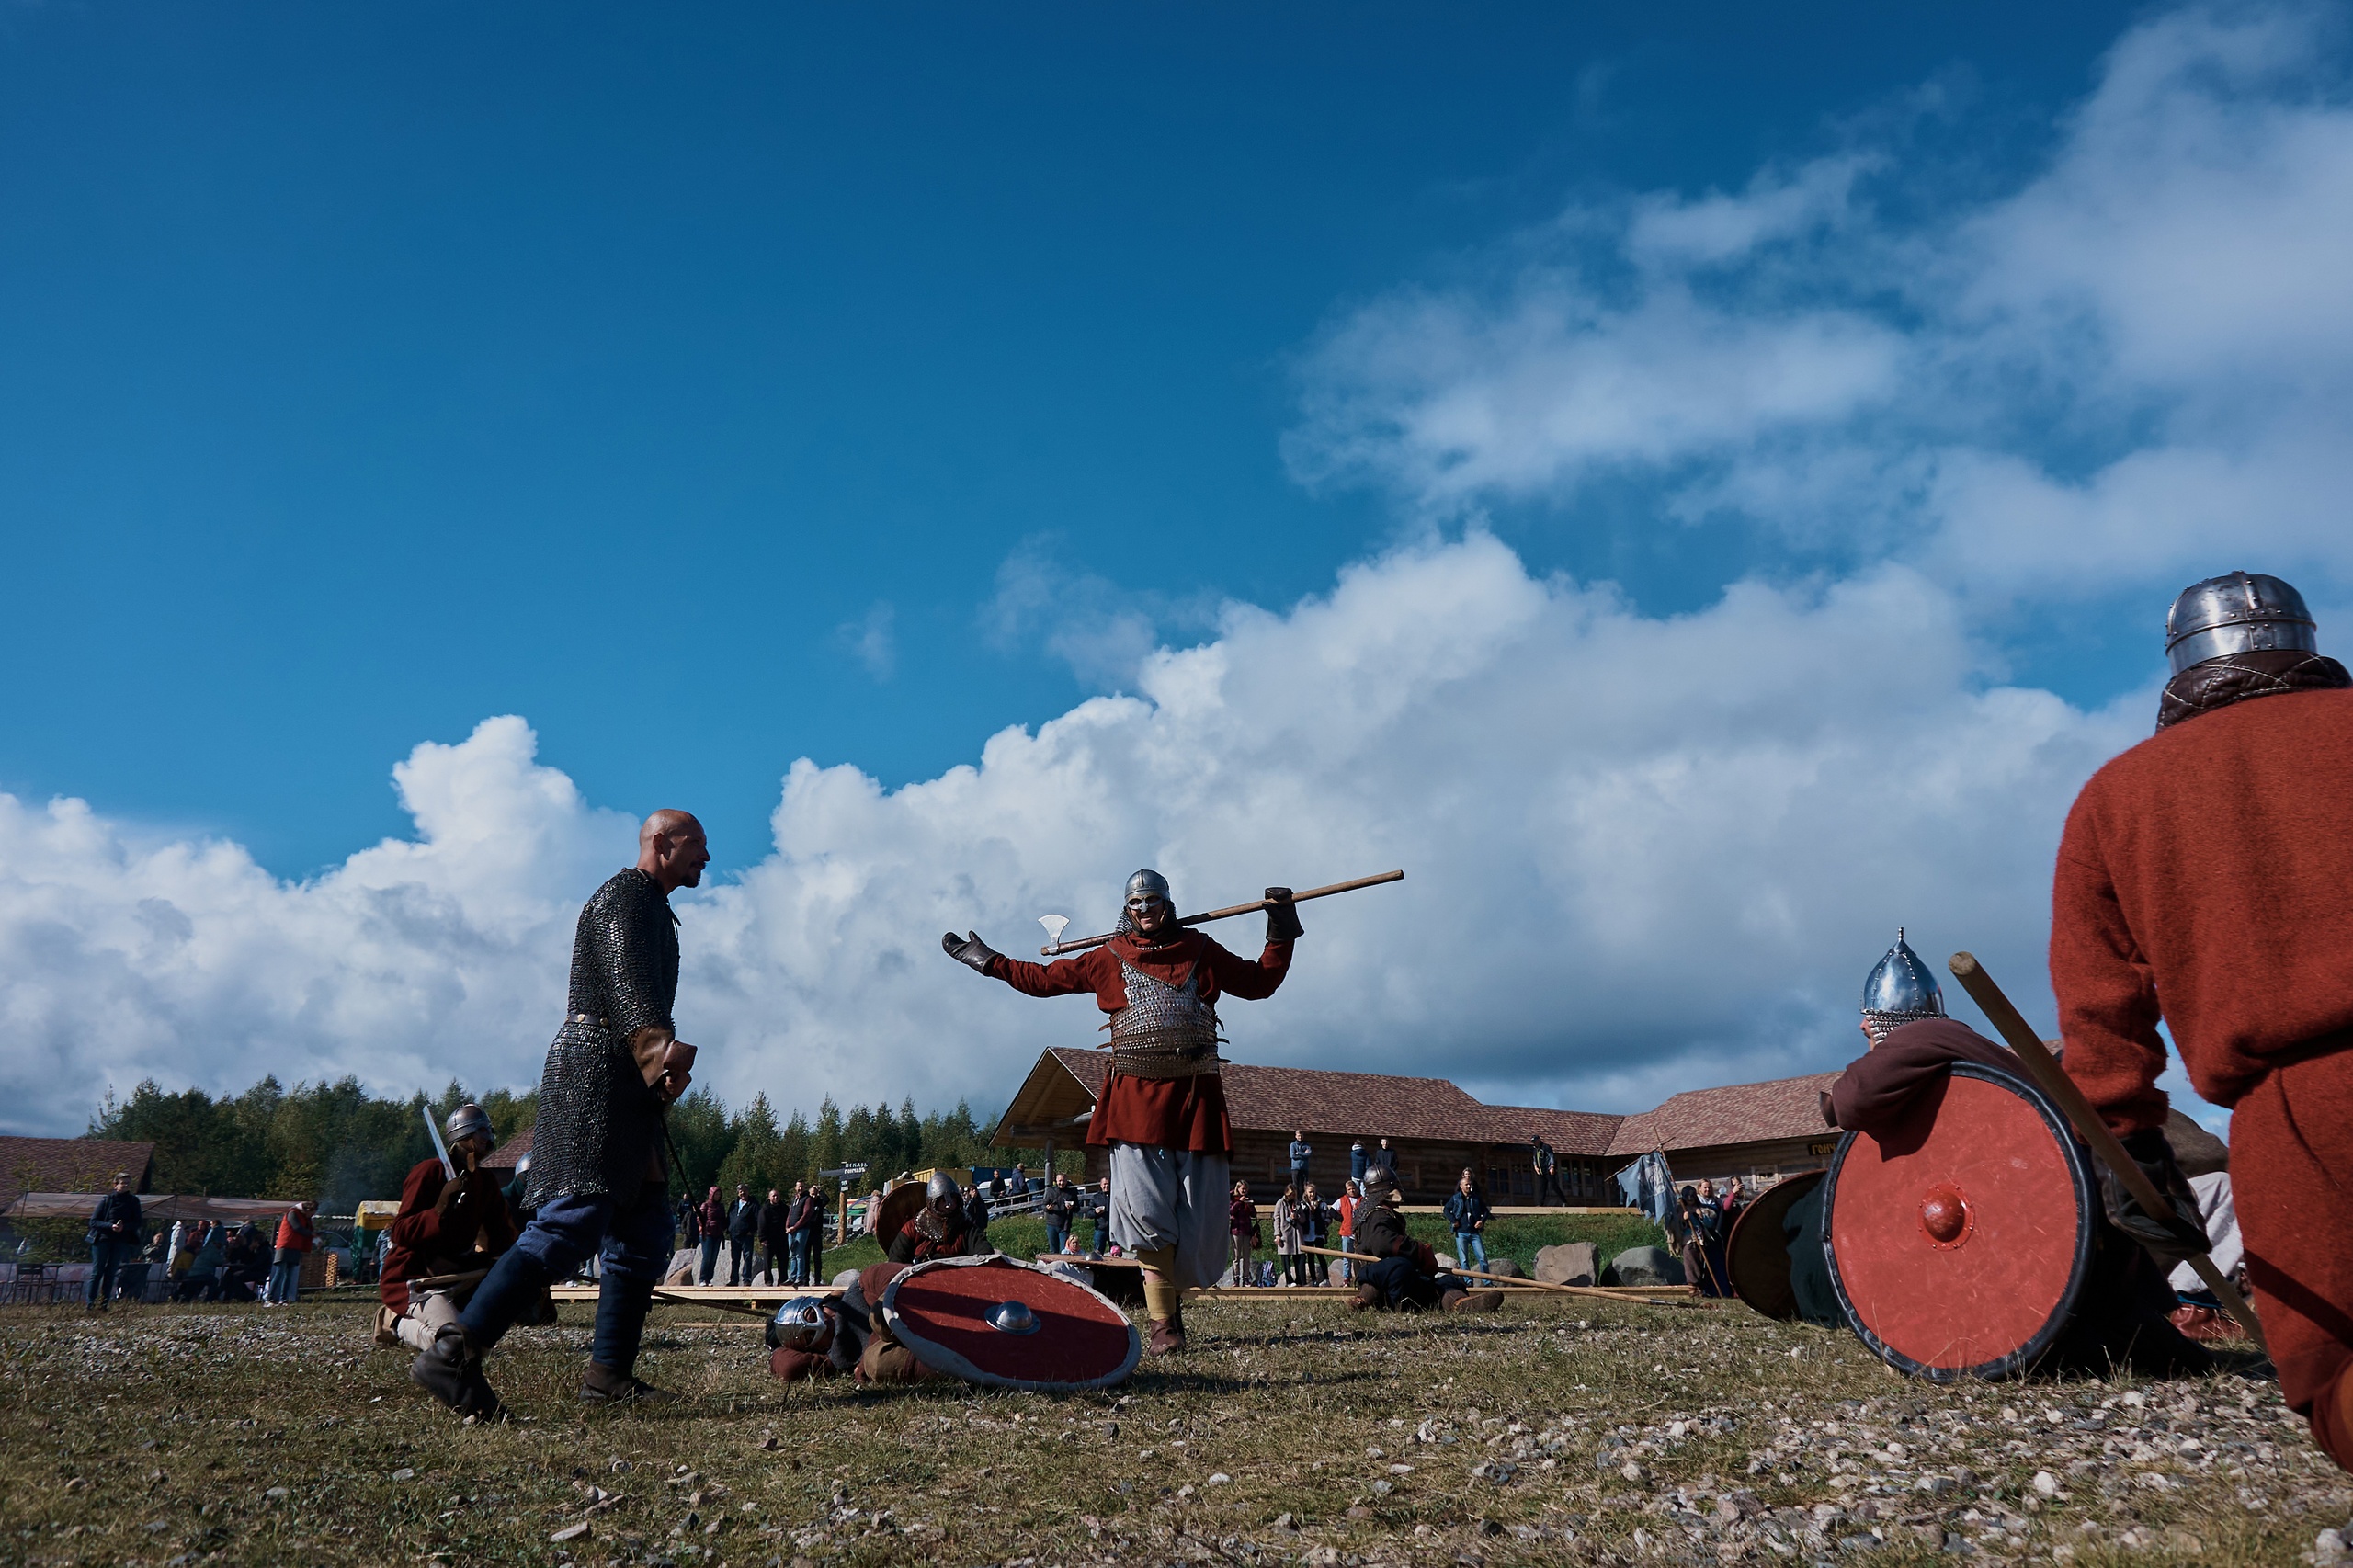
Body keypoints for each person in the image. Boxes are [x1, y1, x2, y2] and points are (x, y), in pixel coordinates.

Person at [2047, 572, 2353, 1470]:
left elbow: (2099, 1012)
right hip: (2280, 1105)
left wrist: (2134, 1151)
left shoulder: (2117, 796)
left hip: (2292, 1120)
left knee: (2333, 1377)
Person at [411, 810, 710, 1419]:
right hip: (596, 1073)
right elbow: (630, 994)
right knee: (575, 1217)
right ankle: (455, 1354)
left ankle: (608, 1377)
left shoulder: (653, 906)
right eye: (695, 846)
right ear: (660, 844)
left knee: (646, 1226)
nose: (705, 858)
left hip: (622, 1077)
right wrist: (660, 1053)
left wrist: (653, 1067)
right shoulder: (624, 898)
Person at [943, 868, 1302, 1354]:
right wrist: (991, 963)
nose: (1144, 912)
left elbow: (1260, 982)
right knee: (1150, 1217)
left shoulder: (1201, 951)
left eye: (1152, 902)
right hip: (1135, 1105)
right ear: (1126, 909)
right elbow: (1044, 980)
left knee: (1199, 1222)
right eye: (1136, 905)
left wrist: (1280, 927)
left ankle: (1172, 1308)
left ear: (1167, 905)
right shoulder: (1108, 958)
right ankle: (1163, 1325)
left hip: (1196, 1101)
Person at [377, 1104, 521, 1354]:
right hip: (417, 1277)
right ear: (463, 1136)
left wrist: (524, 1259)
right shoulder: (429, 1172)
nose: (490, 1137)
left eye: (490, 1130)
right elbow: (400, 1231)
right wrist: (439, 1210)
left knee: (481, 1337)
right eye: (482, 1131)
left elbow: (502, 1235)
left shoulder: (485, 1182)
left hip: (457, 1273)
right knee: (456, 1345)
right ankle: (394, 1322)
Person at [1348, 1172, 1495, 1312]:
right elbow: (1383, 1243)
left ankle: (1460, 1304)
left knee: (1448, 1281)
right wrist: (1419, 1251)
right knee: (1399, 1266)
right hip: (1378, 1278)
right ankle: (1363, 1300)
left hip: (1400, 1286)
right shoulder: (1377, 1215)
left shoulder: (1382, 1215)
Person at [888, 1173, 985, 1265]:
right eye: (943, 1201)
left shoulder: (965, 1227)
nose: (949, 1205)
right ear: (932, 1203)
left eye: (953, 1199)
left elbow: (984, 1251)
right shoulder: (913, 1227)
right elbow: (897, 1258)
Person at [84, 1172, 142, 1312]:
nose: (126, 1186)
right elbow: (93, 1221)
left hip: (120, 1241)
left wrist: (124, 1227)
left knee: (111, 1273)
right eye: (123, 1183)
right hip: (102, 1240)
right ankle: (90, 1304)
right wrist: (110, 1226)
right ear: (115, 1185)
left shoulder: (134, 1201)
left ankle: (104, 1304)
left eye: (128, 1183)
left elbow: (138, 1222)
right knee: (97, 1272)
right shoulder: (107, 1200)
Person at [268, 1201, 316, 1305]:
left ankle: (283, 1299)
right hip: (285, 1245)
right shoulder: (293, 1213)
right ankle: (270, 1298)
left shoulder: (305, 1218)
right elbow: (297, 1227)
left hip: (295, 1247)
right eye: (311, 1213)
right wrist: (310, 1233)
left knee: (288, 1275)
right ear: (308, 1209)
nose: (311, 1216)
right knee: (279, 1273)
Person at [1445, 1169, 1491, 1273]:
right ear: (1461, 1186)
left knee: (1482, 1256)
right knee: (1464, 1259)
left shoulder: (1476, 1198)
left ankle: (1487, 1280)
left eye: (1470, 1184)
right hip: (1461, 1232)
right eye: (1466, 1185)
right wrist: (1453, 1220)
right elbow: (1446, 1209)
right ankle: (1468, 1281)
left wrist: (1482, 1221)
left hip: (1474, 1232)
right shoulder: (1456, 1198)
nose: (1469, 1186)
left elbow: (1486, 1211)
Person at [725, 1184, 760, 1287]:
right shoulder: (734, 1204)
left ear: (748, 1192)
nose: (742, 1193)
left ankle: (746, 1279)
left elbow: (758, 1219)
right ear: (738, 1192)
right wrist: (728, 1229)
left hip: (747, 1235)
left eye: (744, 1191)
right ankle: (734, 1280)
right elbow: (729, 1217)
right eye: (740, 1191)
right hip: (734, 1235)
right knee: (735, 1259)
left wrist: (752, 1230)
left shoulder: (753, 1204)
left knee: (747, 1258)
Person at [755, 1187, 790, 1285]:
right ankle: (768, 1281)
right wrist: (762, 1238)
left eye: (777, 1195)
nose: (775, 1197)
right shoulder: (765, 1209)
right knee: (767, 1262)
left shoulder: (784, 1208)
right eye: (773, 1195)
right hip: (769, 1240)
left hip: (782, 1239)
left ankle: (782, 1281)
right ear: (769, 1197)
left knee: (783, 1261)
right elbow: (761, 1224)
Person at [1227, 1180, 1259, 1287]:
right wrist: (1240, 1202)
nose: (1244, 1191)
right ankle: (1236, 1278)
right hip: (1236, 1230)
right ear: (1238, 1188)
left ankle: (1246, 1278)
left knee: (1246, 1256)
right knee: (1236, 1256)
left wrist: (1249, 1205)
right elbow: (1231, 1211)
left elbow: (1254, 1214)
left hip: (1247, 1230)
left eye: (1246, 1189)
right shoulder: (1233, 1197)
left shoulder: (1248, 1199)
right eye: (1242, 1189)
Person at [1273, 1184, 1305, 1287]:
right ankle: (1289, 1280)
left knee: (1299, 1256)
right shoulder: (1280, 1203)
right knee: (1286, 1257)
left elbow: (1303, 1219)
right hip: (1285, 1233)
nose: (1292, 1196)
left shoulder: (1298, 1203)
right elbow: (1276, 1219)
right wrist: (1277, 1234)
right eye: (1291, 1194)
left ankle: (1299, 1280)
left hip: (1297, 1234)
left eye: (1294, 1194)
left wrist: (1297, 1216)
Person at [797, 1180, 828, 1284]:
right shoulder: (806, 1202)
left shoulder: (819, 1203)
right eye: (812, 1194)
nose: (813, 1196)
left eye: (815, 1194)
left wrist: (820, 1191)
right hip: (806, 1232)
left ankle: (817, 1280)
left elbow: (827, 1199)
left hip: (817, 1234)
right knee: (805, 1256)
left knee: (817, 1257)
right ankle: (805, 1280)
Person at [1300, 1181, 1330, 1285]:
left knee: (1320, 1255)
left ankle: (1326, 1279)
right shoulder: (1303, 1204)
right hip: (1308, 1234)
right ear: (1306, 1193)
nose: (1312, 1195)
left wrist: (1325, 1224)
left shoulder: (1322, 1204)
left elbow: (1327, 1216)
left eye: (1313, 1192)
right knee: (1311, 1257)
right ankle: (1313, 1280)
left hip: (1318, 1233)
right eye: (1310, 1192)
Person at [1042, 1174, 1075, 1258]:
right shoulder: (1050, 1191)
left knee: (1064, 1251)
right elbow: (1043, 1205)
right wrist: (1048, 1208)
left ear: (1066, 1181)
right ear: (1056, 1181)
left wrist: (1072, 1207)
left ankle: (1063, 1269)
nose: (1061, 1183)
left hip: (1064, 1226)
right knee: (1053, 1250)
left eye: (1063, 1181)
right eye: (1060, 1181)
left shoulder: (1071, 1193)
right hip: (1051, 1224)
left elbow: (1077, 1208)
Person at [696, 1186, 724, 1285]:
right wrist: (705, 1225)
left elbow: (723, 1219)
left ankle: (709, 1279)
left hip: (717, 1234)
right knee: (707, 1257)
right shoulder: (705, 1205)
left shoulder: (721, 1206)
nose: (717, 1196)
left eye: (719, 1194)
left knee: (713, 1258)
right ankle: (702, 1279)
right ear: (711, 1194)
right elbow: (699, 1217)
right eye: (716, 1194)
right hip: (707, 1234)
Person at [1336, 1178, 1360, 1285]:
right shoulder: (1342, 1200)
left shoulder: (1362, 1200)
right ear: (1346, 1190)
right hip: (1346, 1232)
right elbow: (1332, 1211)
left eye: (1353, 1189)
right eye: (1349, 1189)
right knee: (1347, 1257)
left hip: (1359, 1233)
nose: (1352, 1191)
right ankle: (1346, 1279)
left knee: (1360, 1257)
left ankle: (1360, 1277)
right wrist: (1342, 1219)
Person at [1531, 1136, 1563, 1207]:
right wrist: (1536, 1167)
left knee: (1554, 1186)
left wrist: (1552, 1166)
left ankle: (1563, 1201)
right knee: (1541, 1187)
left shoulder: (1546, 1147)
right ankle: (1540, 1203)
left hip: (1548, 1169)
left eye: (1535, 1141)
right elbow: (1534, 1159)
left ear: (1539, 1140)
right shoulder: (1535, 1149)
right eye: (1533, 1142)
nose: (1534, 1143)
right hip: (1541, 1171)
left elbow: (1551, 1156)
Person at [1287, 1131, 1313, 1197]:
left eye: (1301, 1135)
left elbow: (1309, 1154)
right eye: (1298, 1136)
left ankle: (1304, 1199)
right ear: (1296, 1136)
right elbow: (1293, 1156)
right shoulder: (1293, 1145)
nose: (1300, 1137)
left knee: (1305, 1185)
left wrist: (1299, 1153)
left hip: (1304, 1168)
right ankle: (1296, 1200)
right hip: (1295, 1168)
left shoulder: (1307, 1145)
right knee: (1295, 1185)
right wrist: (1304, 1154)